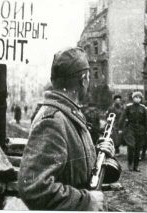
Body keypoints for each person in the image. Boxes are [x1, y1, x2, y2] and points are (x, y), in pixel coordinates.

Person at [18, 47, 115, 211]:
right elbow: (33, 188)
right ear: (83, 80)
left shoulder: (67, 114)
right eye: (89, 77)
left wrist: (99, 154)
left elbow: (71, 167)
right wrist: (85, 201)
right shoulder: (53, 120)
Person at [118, 91, 147, 172]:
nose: (137, 99)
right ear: (133, 98)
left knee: (138, 148)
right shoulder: (128, 107)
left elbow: (146, 120)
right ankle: (130, 164)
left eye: (139, 98)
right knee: (131, 146)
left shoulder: (143, 108)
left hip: (140, 130)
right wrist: (120, 128)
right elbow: (122, 118)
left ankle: (136, 166)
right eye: (136, 97)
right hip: (130, 128)